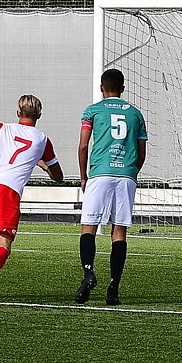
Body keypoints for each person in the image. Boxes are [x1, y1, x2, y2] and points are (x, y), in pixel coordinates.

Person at [0, 95, 64, 304]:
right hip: (6, 193)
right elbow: (59, 177)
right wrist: (43, 164)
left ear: (18, 113)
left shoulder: (4, 128)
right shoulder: (42, 140)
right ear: (39, 115)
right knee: (4, 246)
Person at [75, 68, 147, 306]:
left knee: (89, 227)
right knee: (119, 232)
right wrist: (131, 172)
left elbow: (83, 146)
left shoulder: (93, 111)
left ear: (101, 88)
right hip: (126, 175)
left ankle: (88, 273)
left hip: (100, 174)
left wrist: (84, 176)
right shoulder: (136, 114)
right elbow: (141, 153)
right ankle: (113, 288)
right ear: (123, 88)